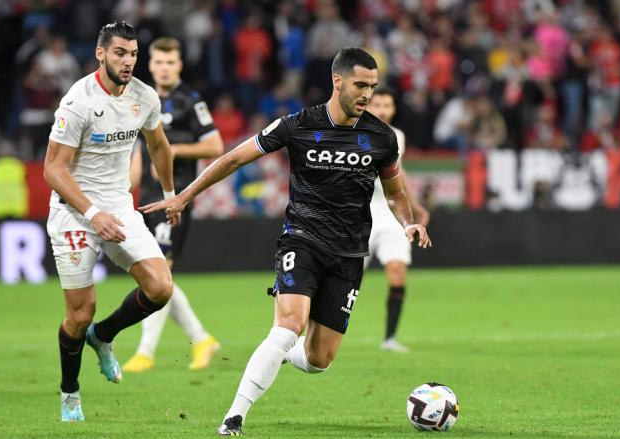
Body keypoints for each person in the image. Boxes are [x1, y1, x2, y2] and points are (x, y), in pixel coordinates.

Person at [141, 47, 431, 436]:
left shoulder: (381, 137)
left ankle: (277, 356)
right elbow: (232, 159)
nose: (367, 94)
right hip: (302, 241)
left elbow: (394, 192)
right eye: (360, 85)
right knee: (288, 325)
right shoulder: (297, 125)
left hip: (348, 255)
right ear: (338, 81)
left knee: (318, 359)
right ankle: (234, 417)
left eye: (373, 86)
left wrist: (408, 222)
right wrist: (183, 196)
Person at [43, 21, 179, 422]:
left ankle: (103, 337)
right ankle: (70, 393)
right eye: (120, 53)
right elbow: (53, 169)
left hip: (119, 209)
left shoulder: (144, 96)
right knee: (79, 314)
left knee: (160, 287)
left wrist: (172, 196)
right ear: (101, 53)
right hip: (74, 211)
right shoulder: (77, 101)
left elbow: (159, 146)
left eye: (134, 54)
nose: (128, 61)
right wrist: (92, 214)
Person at [123, 37, 224, 373]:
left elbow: (215, 144)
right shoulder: (141, 99)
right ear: (149, 65)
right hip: (147, 200)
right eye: (159, 62)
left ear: (179, 65)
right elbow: (138, 150)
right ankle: (202, 339)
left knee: (158, 272)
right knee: (157, 276)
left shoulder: (190, 101)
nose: (164, 68)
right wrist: (125, 187)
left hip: (176, 198)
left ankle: (146, 352)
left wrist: (173, 151)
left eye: (171, 62)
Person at [363, 88, 430, 353]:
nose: (381, 109)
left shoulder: (396, 136)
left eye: (386, 105)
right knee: (345, 280)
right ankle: (314, 335)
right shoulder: (354, 134)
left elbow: (398, 175)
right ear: (367, 107)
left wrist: (414, 206)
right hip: (359, 214)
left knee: (397, 272)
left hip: (390, 215)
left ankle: (389, 338)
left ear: (393, 109)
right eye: (376, 104)